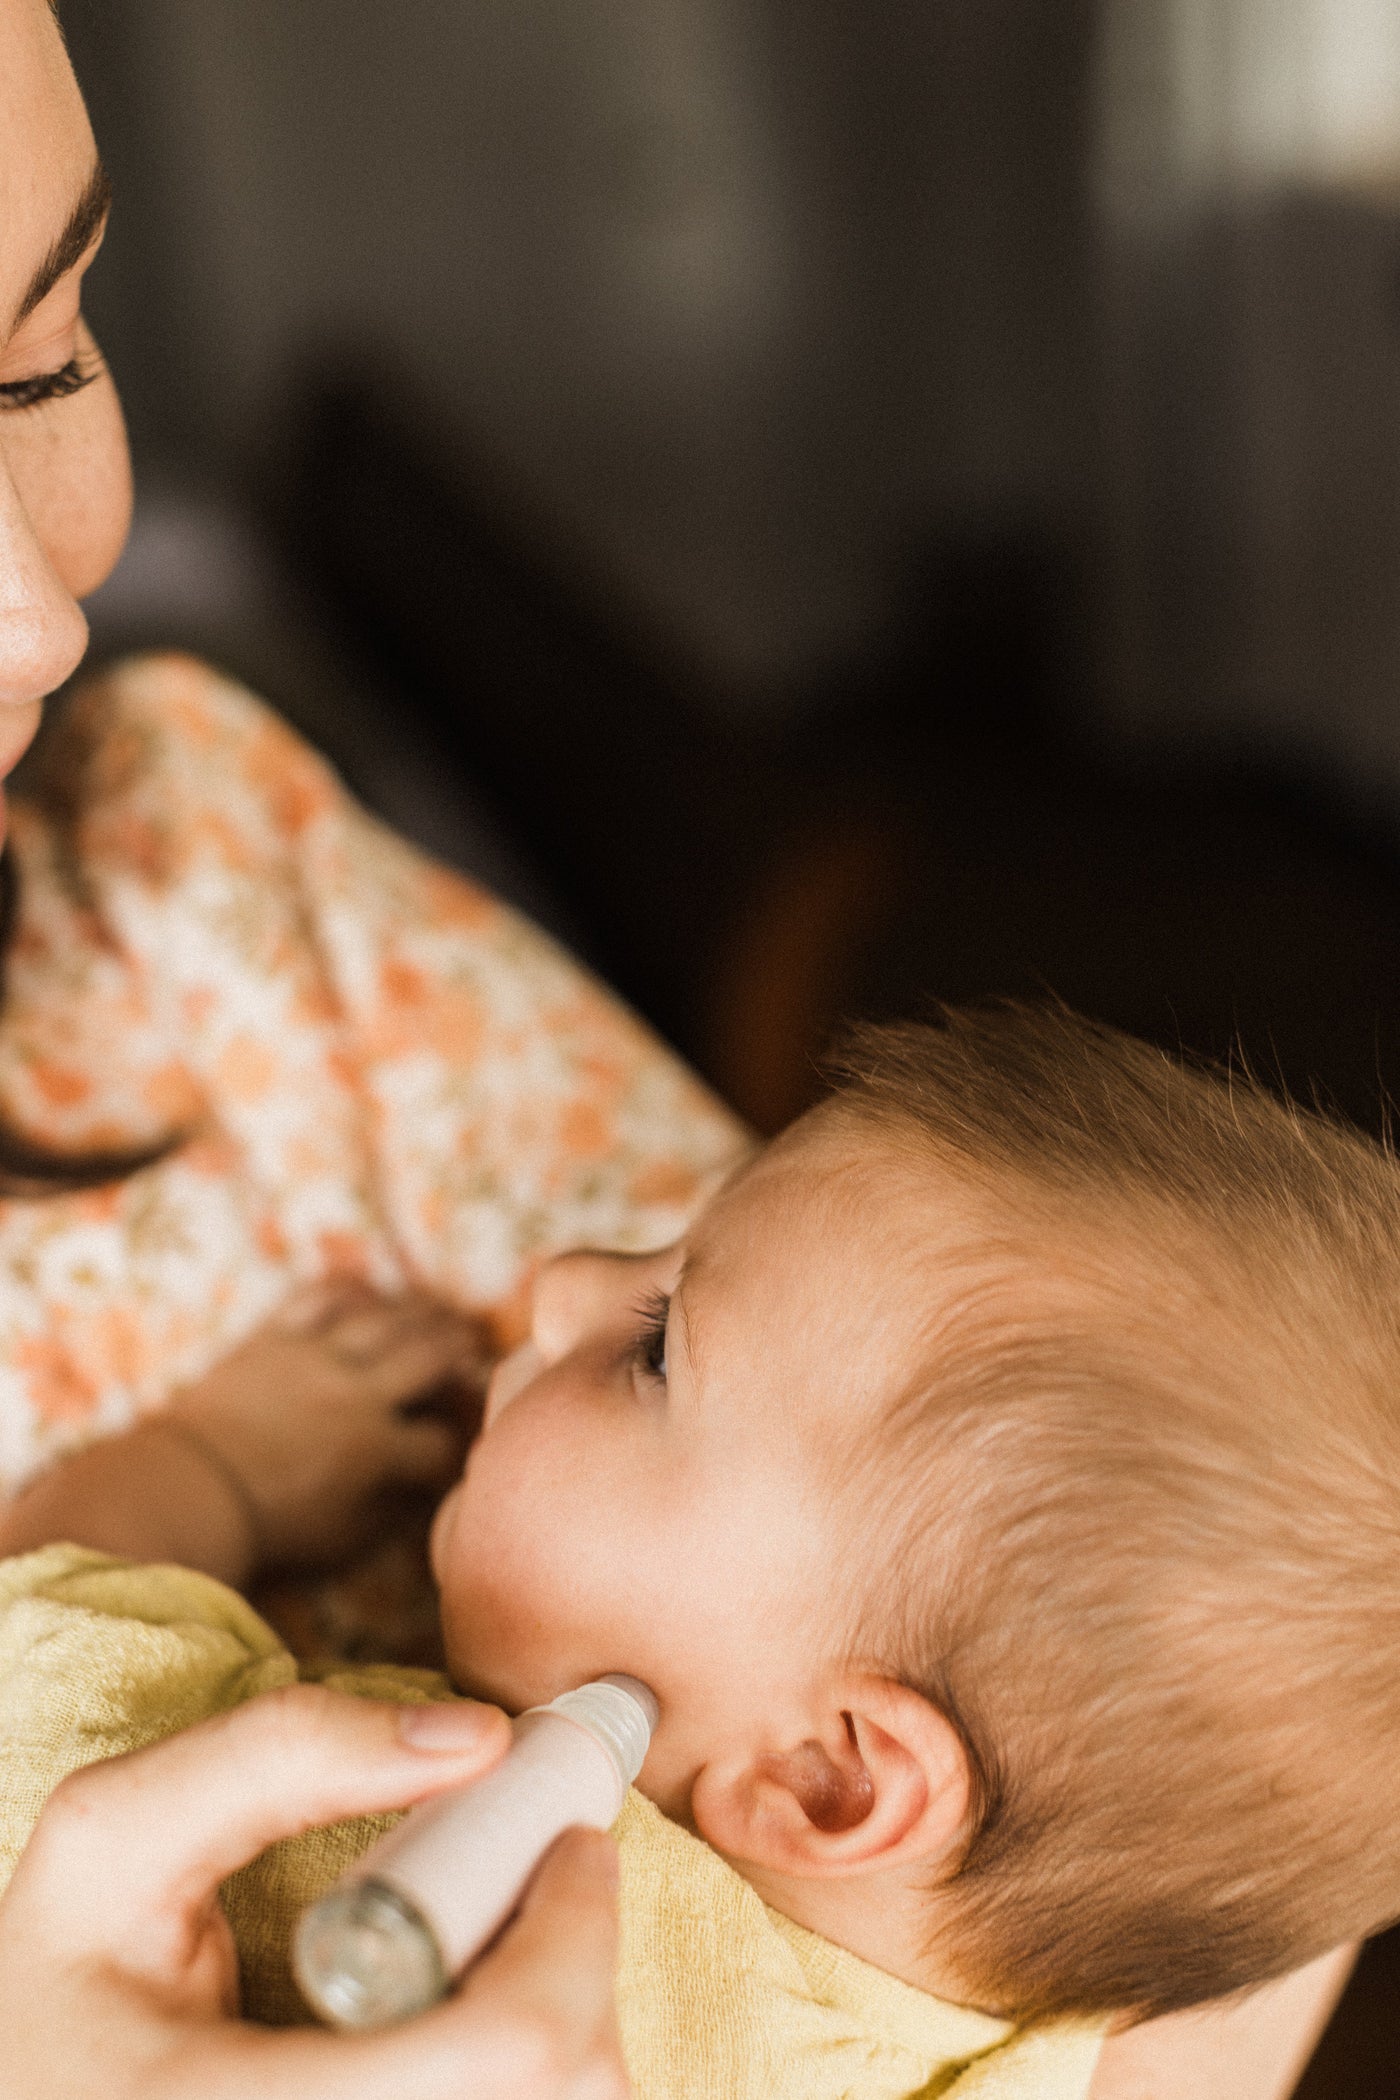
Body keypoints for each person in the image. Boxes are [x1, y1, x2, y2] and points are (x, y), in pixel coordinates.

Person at [0, 0, 1360, 2090]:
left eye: (45, 348)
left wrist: (180, 1486)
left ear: (839, 1788)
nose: (39, 620)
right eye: (648, 1331)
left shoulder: (181, 880)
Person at [3, 1006, 1386, 2095]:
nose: (558, 1286)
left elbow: (35, 1667)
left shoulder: (378, 1864)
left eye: (659, 1347)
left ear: (831, 1777)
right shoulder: (1058, 2055)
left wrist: (206, 1466)